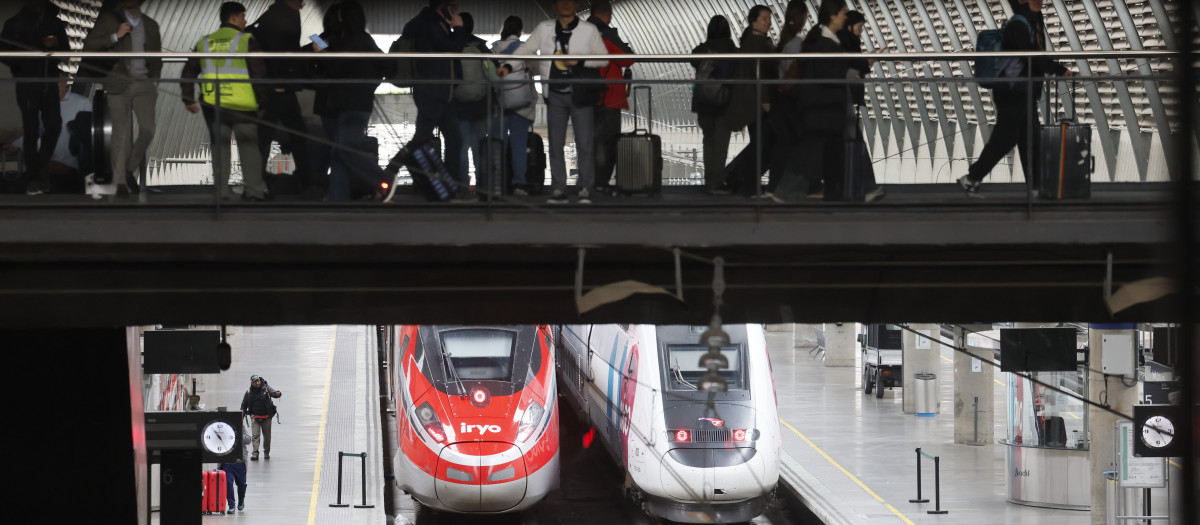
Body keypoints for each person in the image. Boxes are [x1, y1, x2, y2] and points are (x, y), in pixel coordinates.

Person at [958, 0, 1072, 197]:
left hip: (1023, 91)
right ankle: (971, 178)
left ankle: (1036, 187)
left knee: (1031, 139)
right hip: (1012, 92)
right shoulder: (1018, 24)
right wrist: (1060, 70)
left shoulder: (1033, 22)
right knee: (1005, 139)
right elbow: (1032, 57)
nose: (1038, 1)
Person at [499, 0, 608, 204]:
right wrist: (507, 65)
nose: (566, 4)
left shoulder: (588, 30)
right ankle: (559, 188)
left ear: (576, 5)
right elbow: (526, 50)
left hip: (580, 93)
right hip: (554, 93)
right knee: (556, 144)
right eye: (561, 1)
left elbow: (603, 58)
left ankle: (585, 186)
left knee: (584, 142)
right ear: (555, 6)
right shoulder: (544, 28)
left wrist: (580, 61)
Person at [180, 2, 270, 201]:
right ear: (235, 18)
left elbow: (189, 72)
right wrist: (262, 103)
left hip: (213, 104)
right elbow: (259, 74)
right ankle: (254, 192)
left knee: (219, 147)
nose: (245, 21)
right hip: (243, 105)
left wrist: (188, 98)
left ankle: (221, 193)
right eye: (243, 16)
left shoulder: (204, 42)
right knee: (249, 147)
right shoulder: (246, 40)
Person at [312, 0, 394, 202]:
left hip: (338, 103)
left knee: (343, 149)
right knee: (340, 151)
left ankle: (383, 180)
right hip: (347, 102)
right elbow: (386, 68)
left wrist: (321, 54)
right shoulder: (362, 41)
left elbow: (332, 66)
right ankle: (337, 196)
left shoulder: (343, 41)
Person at [389, 0, 468, 200]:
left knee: (453, 139)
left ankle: (451, 186)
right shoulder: (431, 26)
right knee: (421, 139)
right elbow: (452, 48)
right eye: (453, 7)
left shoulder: (435, 25)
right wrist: (459, 28)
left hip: (442, 93)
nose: (457, 11)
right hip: (432, 92)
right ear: (443, 7)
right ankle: (386, 175)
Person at [83, 0, 162, 196]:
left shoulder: (150, 24)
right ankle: (119, 183)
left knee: (148, 129)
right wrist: (114, 36)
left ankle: (128, 170)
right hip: (118, 82)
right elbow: (89, 45)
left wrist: (155, 81)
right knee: (120, 133)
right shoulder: (109, 20)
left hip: (144, 83)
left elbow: (156, 56)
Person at [775, 0, 850, 201]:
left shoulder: (816, 41)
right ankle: (787, 190)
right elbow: (826, 73)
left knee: (817, 151)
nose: (846, 16)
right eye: (844, 12)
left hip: (821, 108)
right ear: (833, 15)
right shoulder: (823, 43)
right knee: (808, 152)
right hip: (821, 109)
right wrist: (848, 71)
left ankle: (831, 191)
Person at [249, 0, 317, 197]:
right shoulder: (280, 18)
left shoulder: (278, 15)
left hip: (276, 86)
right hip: (277, 87)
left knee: (267, 137)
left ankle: (257, 185)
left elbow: (286, 51)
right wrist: (279, 83)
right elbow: (279, 53)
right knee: (294, 135)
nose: (303, 5)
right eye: (300, 1)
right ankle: (305, 182)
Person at [0, 0, 69, 196]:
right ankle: (34, 176)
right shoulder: (15, 23)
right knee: (30, 130)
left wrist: (55, 45)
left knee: (54, 124)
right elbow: (4, 53)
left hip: (48, 82)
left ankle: (41, 166)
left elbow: (67, 52)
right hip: (27, 82)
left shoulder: (54, 22)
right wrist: (25, 59)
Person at [723, 5, 776, 197]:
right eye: (764, 19)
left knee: (760, 144)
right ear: (754, 21)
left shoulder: (753, 40)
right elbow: (759, 73)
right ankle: (745, 182)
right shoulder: (756, 42)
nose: (768, 23)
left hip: (752, 101)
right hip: (757, 103)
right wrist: (766, 100)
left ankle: (737, 177)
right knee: (762, 145)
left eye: (769, 19)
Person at [5, 81, 92, 193]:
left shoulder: (82, 103)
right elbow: (38, 131)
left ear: (66, 83)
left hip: (74, 165)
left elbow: (92, 131)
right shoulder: (45, 105)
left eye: (58, 82)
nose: (55, 85)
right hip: (50, 164)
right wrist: (16, 144)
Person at [836, 10, 885, 202]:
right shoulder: (844, 43)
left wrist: (866, 63)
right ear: (850, 25)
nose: (861, 31)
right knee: (855, 142)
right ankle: (865, 187)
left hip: (844, 99)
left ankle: (857, 186)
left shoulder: (848, 42)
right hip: (842, 99)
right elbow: (851, 69)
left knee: (849, 142)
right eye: (859, 27)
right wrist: (868, 62)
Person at [586, 1, 634, 194]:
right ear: (609, 14)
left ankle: (588, 182)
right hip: (607, 96)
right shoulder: (605, 33)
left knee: (589, 140)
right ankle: (600, 183)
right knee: (606, 142)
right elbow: (627, 58)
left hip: (584, 95)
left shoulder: (579, 31)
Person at [691, 16, 737, 195]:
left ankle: (709, 180)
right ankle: (716, 183)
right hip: (724, 101)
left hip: (703, 102)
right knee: (720, 143)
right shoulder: (732, 50)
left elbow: (693, 59)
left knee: (708, 140)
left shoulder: (702, 50)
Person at [491, 16, 536, 196]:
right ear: (520, 31)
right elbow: (538, 68)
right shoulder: (526, 49)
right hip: (522, 105)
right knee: (519, 145)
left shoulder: (493, 49)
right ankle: (518, 184)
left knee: (497, 144)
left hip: (499, 104)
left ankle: (497, 184)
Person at [455, 12, 491, 197]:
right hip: (480, 106)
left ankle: (462, 185)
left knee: (460, 148)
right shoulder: (482, 46)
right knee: (479, 147)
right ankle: (482, 185)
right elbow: (492, 75)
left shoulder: (451, 45)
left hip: (458, 106)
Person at [241, 374, 282, 460]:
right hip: (255, 417)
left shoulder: (266, 388)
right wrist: (241, 416)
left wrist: (278, 394)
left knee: (267, 437)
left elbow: (273, 393)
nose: (257, 383)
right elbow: (244, 405)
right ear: (251, 383)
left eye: (258, 381)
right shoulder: (248, 392)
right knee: (255, 436)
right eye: (255, 382)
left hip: (266, 417)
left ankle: (266, 452)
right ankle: (255, 453)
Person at [218, 425, 252, 513]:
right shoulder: (222, 429)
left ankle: (241, 499)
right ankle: (231, 505)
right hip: (227, 462)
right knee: (228, 483)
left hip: (239, 462)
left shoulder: (241, 426)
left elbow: (248, 440)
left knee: (241, 484)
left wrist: (237, 434)